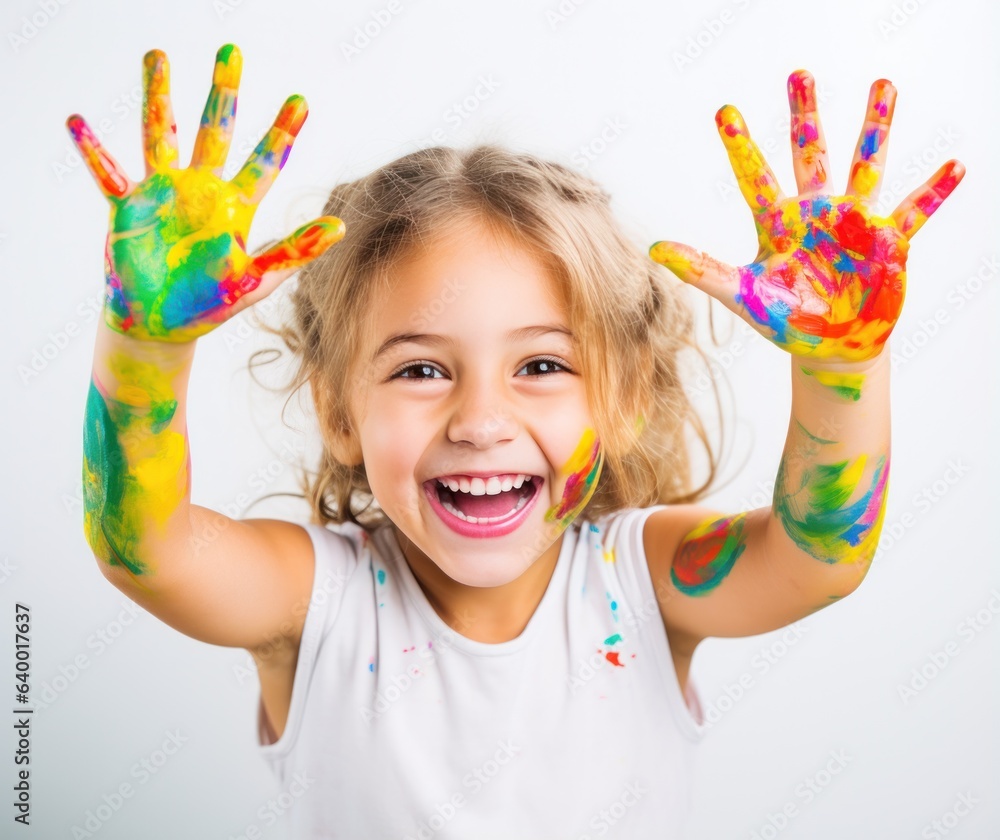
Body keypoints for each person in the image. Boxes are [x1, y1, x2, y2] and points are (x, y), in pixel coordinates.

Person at [70, 43, 963, 838]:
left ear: (620, 398)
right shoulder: (318, 600)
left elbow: (820, 555)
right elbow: (143, 547)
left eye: (541, 366)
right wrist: (145, 346)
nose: (481, 420)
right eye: (421, 370)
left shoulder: (639, 581)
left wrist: (844, 369)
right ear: (338, 410)